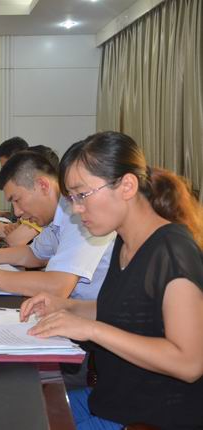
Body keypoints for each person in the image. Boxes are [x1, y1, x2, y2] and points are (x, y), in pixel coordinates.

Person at [20, 131, 203, 428]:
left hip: (148, 418)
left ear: (127, 185)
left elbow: (190, 363)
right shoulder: (125, 240)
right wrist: (64, 306)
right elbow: (123, 310)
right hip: (110, 400)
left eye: (82, 195)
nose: (76, 209)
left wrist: (91, 329)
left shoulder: (172, 252)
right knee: (20, 409)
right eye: (72, 198)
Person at [0, 150, 115, 299]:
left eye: (17, 200)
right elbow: (34, 254)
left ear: (43, 185)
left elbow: (58, 287)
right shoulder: (59, 212)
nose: (17, 212)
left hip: (92, 316)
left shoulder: (79, 213)